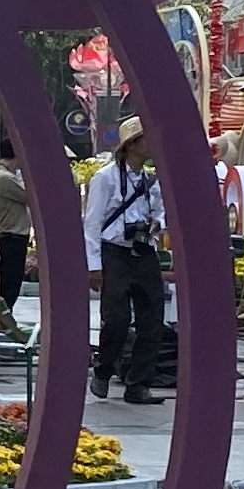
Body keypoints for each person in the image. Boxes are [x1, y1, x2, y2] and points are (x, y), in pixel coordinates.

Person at [88, 120, 170, 402]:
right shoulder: (105, 178)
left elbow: (161, 213)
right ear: (132, 144)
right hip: (115, 252)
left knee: (152, 319)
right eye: (146, 139)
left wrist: (157, 224)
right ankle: (104, 368)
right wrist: (94, 265)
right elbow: (92, 223)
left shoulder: (152, 181)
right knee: (116, 319)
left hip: (144, 251)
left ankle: (139, 384)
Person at [0, 151, 34, 341]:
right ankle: (4, 325)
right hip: (11, 236)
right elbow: (30, 197)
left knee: (8, 284)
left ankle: (3, 323)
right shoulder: (5, 178)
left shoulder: (1, 175)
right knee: (10, 285)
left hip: (9, 236)